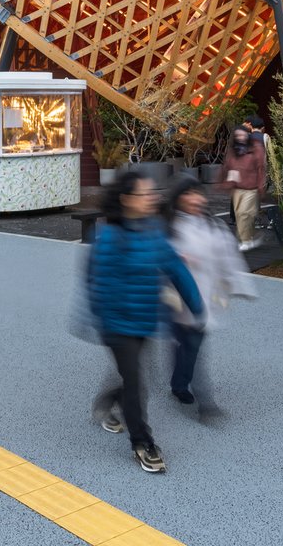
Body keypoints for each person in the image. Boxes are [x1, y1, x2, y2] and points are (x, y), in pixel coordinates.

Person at [88, 168, 203, 474]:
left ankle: (106, 401)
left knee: (134, 377)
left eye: (154, 192)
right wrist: (101, 317)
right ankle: (143, 443)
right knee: (137, 384)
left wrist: (196, 304)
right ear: (126, 200)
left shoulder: (154, 231)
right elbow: (95, 282)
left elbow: (176, 268)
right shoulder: (110, 237)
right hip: (116, 324)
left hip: (144, 320)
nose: (152, 198)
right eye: (145, 193)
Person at [163, 177, 255, 416]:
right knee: (186, 344)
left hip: (201, 297)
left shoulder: (212, 226)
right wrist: (176, 258)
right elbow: (154, 256)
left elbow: (228, 257)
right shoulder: (168, 226)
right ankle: (193, 393)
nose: (196, 200)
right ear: (179, 198)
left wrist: (238, 285)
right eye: (189, 195)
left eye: (198, 194)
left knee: (192, 346)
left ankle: (188, 388)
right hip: (174, 299)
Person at [222, 125, 266, 251]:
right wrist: (225, 182)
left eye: (243, 135)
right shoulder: (233, 150)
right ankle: (249, 237)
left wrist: (260, 186)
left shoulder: (256, 149)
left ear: (248, 135)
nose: (240, 138)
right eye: (238, 135)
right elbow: (228, 166)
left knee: (243, 214)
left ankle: (245, 241)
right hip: (237, 187)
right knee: (242, 214)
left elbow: (260, 169)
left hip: (251, 188)